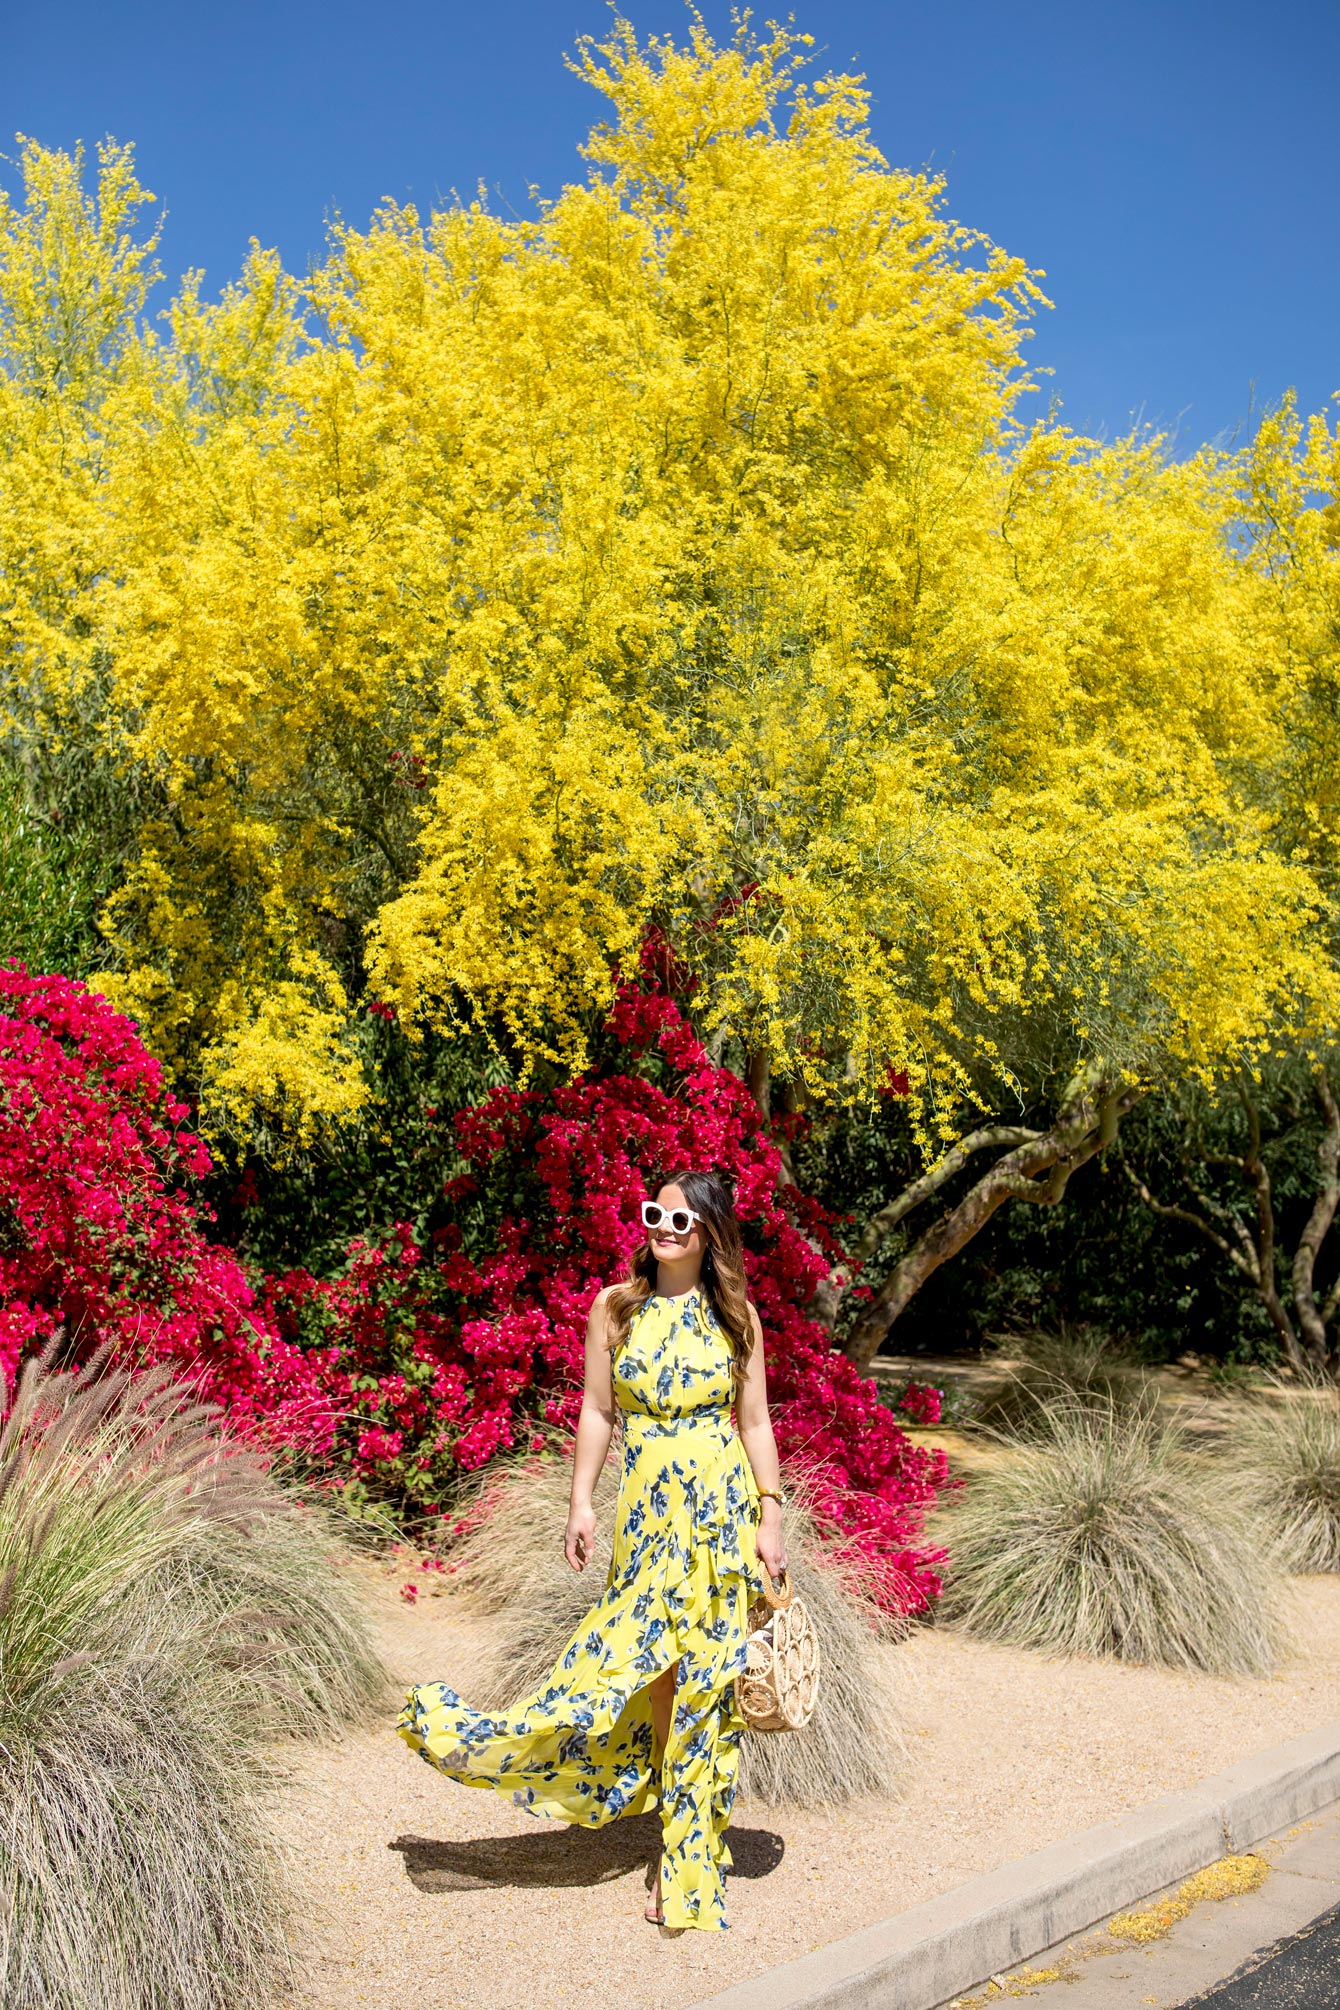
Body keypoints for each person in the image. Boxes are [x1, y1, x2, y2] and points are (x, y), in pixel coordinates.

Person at [397, 1168, 789, 1932]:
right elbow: (598, 1409)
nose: (664, 1230)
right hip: (645, 1524)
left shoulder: (737, 1317)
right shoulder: (614, 1309)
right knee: (640, 1677)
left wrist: (771, 1517)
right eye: (655, 1216)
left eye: (681, 1221)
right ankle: (490, 1742)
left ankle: (688, 1862)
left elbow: (757, 1424)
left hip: (720, 1520)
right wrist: (580, 1500)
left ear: (710, 1231)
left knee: (707, 1688)